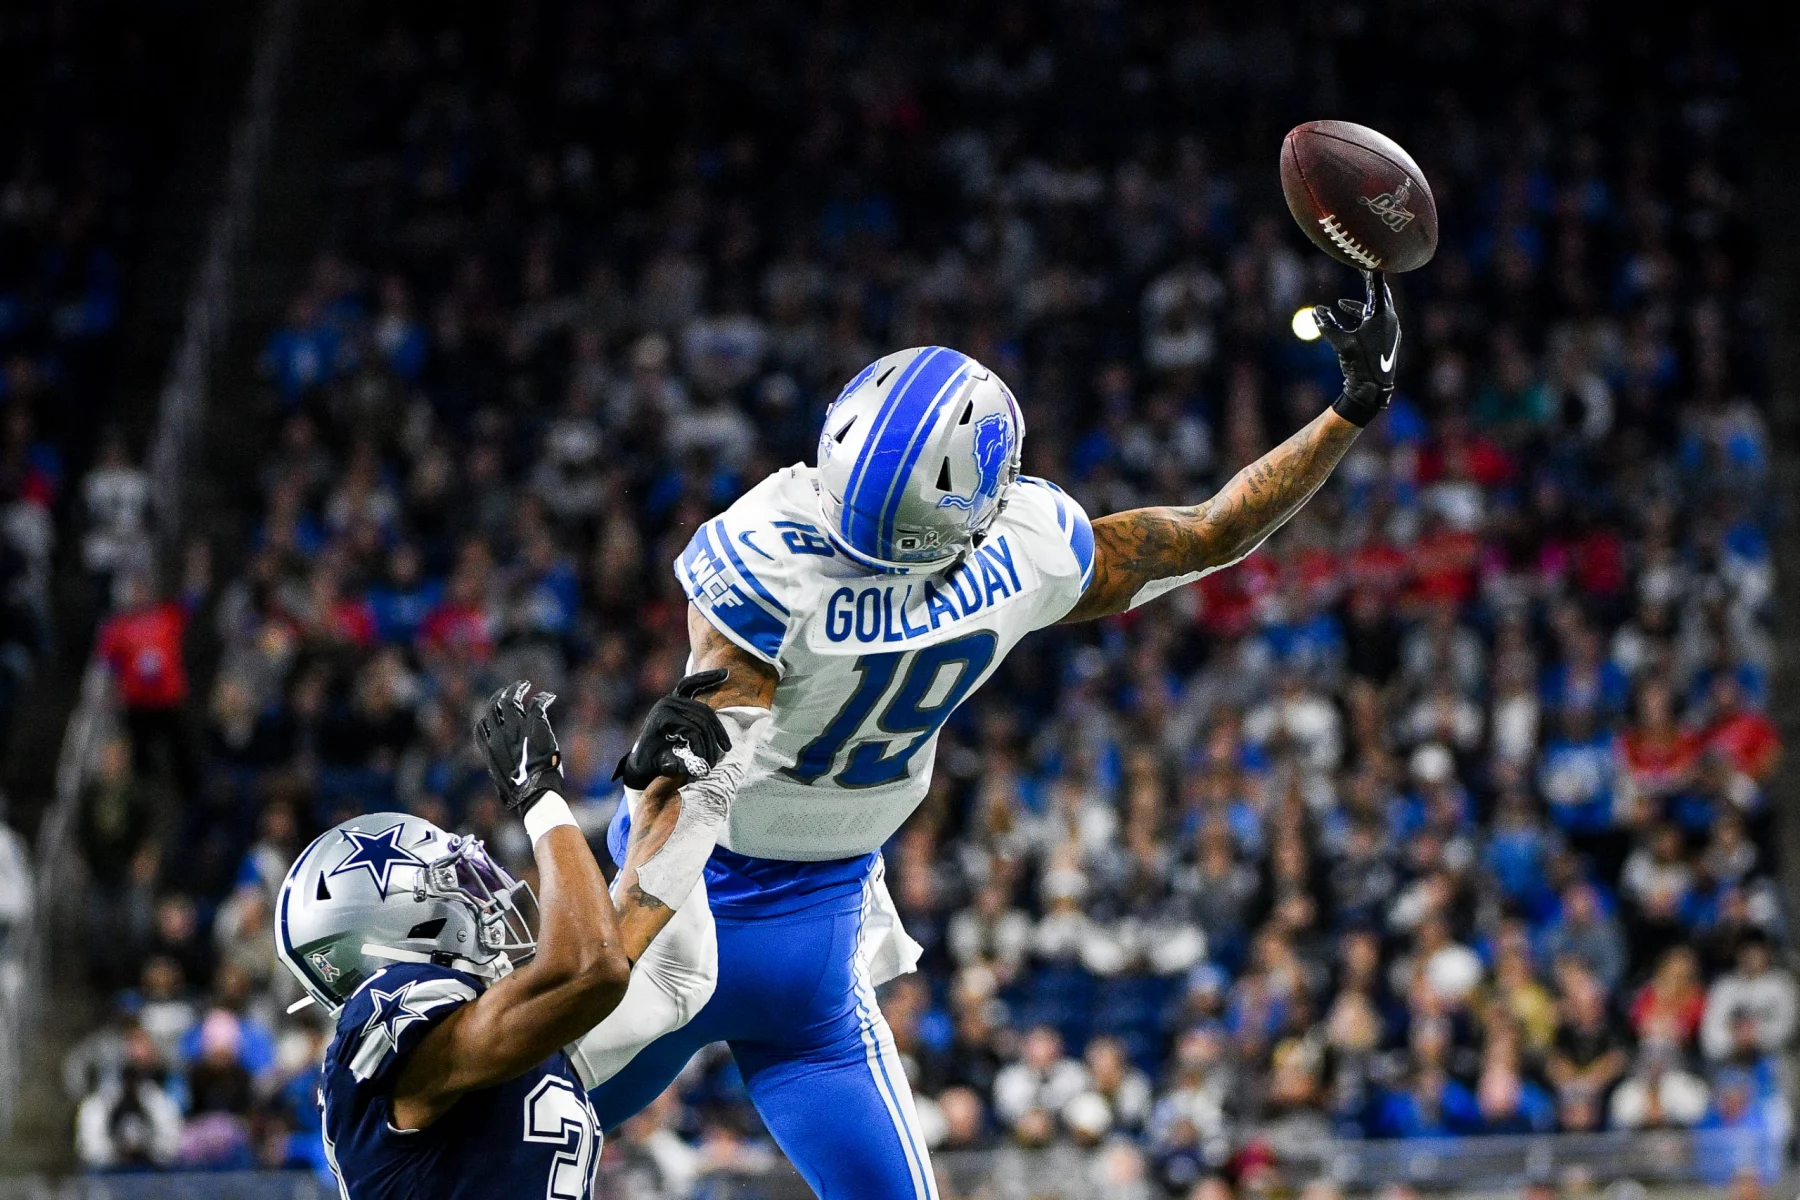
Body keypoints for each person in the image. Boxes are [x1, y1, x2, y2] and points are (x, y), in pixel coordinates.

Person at [588, 275, 1402, 1198]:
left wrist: (600, 950)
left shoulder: (768, 547)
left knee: (482, 1141)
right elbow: (1213, 530)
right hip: (808, 937)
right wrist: (1352, 407)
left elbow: (689, 775)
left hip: (689, 911)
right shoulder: (1026, 546)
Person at [275, 677, 736, 1199]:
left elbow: (674, 976)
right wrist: (538, 794)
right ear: (391, 927)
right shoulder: (388, 1043)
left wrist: (652, 796)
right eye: (454, 882)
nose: (485, 891)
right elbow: (595, 968)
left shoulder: (501, 1042)